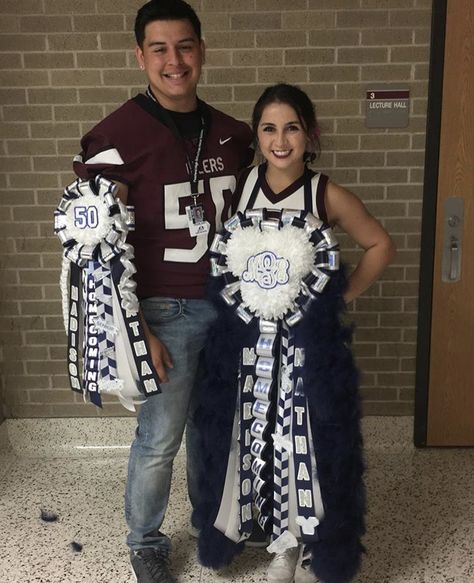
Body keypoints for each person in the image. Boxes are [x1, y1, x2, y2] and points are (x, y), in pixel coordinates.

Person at [73, 1, 253, 582]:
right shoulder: (116, 135)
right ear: (141, 56)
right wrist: (138, 331)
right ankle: (145, 538)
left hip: (227, 307)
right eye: (159, 48)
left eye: (185, 46)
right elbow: (101, 252)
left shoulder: (234, 133)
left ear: (202, 50)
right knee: (159, 438)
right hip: (165, 309)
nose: (174, 61)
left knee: (215, 428)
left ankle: (211, 524)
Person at [194, 84, 396, 583]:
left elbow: (379, 244)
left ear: (310, 134)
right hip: (248, 348)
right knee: (253, 437)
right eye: (268, 128)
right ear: (257, 135)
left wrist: (337, 297)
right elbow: (226, 260)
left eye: (291, 127)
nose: (280, 140)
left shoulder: (325, 193)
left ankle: (308, 544)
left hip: (308, 351)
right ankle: (272, 537)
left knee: (304, 440)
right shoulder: (239, 188)